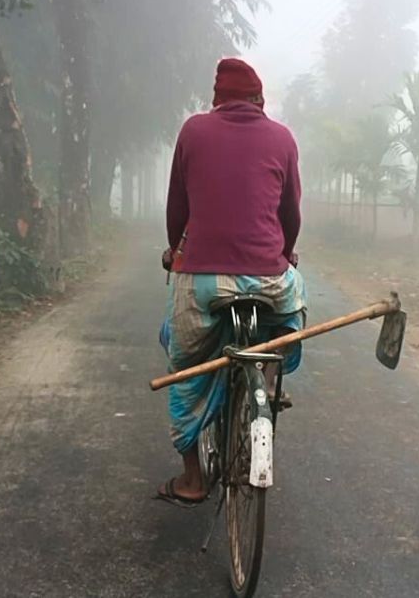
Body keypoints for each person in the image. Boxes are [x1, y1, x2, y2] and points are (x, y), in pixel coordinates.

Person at [156, 58, 306, 506]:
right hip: (271, 279)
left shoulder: (194, 131)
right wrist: (284, 253)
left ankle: (192, 479)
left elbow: (176, 207)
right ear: (260, 101)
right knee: (292, 313)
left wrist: (174, 249)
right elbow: (291, 214)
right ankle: (268, 372)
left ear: (216, 100)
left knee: (184, 367)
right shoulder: (282, 138)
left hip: (202, 280)